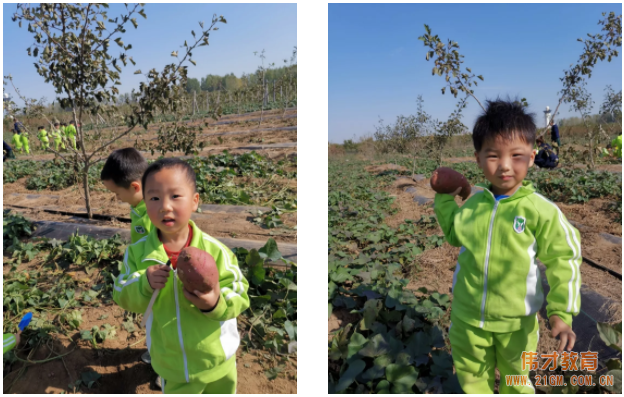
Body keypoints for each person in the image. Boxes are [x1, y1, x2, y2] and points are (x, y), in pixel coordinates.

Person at [434, 99, 580, 393]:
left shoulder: (541, 210)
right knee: (473, 380)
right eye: (493, 155)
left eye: (516, 155)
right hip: (468, 319)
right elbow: (453, 233)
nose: (504, 166)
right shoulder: (474, 205)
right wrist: (444, 197)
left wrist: (561, 313)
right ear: (477, 158)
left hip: (518, 323)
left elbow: (564, 258)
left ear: (531, 155)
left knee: (516, 381)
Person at [112, 158, 250, 394]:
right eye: (154, 198)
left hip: (218, 362)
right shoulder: (138, 254)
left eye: (175, 196)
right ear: (145, 202)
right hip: (172, 366)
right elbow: (121, 292)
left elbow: (239, 291)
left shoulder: (216, 251)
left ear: (195, 201)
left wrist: (215, 303)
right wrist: (144, 283)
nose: (165, 206)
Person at [101, 148, 151, 244]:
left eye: (117, 193)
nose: (117, 198)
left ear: (135, 187)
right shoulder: (138, 208)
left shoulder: (154, 215)